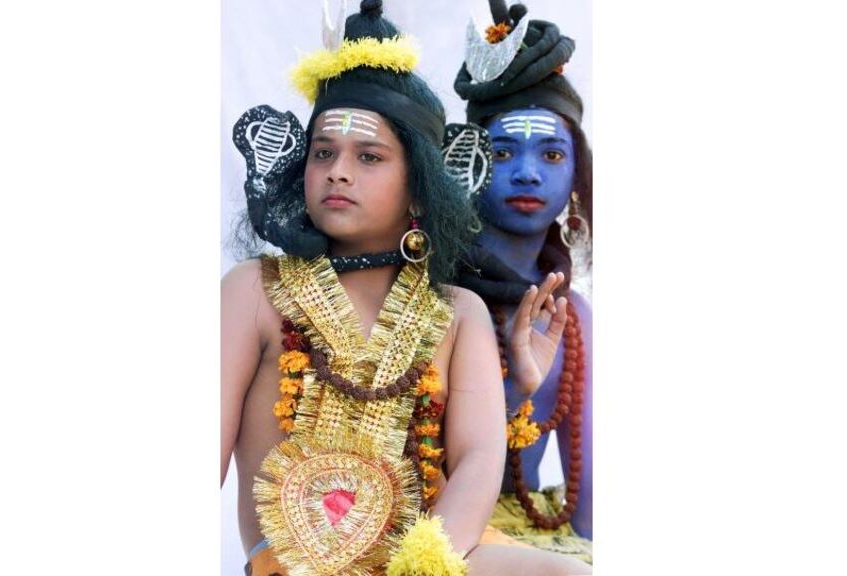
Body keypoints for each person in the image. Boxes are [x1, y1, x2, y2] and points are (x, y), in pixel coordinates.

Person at [221, 1, 589, 574]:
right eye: (324, 153)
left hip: (427, 557)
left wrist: (426, 560)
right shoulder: (254, 291)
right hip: (293, 561)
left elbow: (476, 457)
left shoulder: (457, 309)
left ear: (421, 189)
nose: (338, 170)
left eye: (369, 156)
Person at [453, 0, 594, 564]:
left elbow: (589, 493)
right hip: (431, 536)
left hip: (540, 537)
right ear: (466, 163)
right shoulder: (429, 295)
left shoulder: (574, 317)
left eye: (552, 152)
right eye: (504, 150)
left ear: (576, 175)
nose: (528, 171)